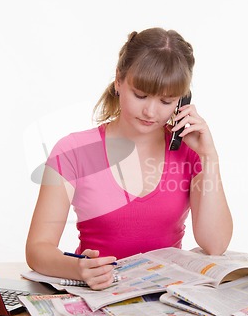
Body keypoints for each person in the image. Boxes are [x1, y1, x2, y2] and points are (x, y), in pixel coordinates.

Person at [26, 27, 233, 290]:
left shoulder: (190, 152)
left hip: (166, 298)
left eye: (166, 101)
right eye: (140, 95)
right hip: (98, 296)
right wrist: (78, 268)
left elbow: (215, 245)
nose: (150, 111)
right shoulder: (73, 151)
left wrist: (209, 156)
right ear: (119, 81)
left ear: (182, 101)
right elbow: (37, 248)